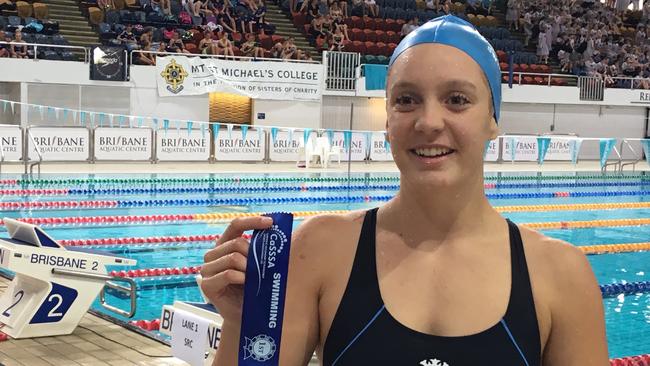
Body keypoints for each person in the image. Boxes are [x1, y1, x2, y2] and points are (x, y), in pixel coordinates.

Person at [201, 15, 609, 366]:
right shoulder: (321, 250)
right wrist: (242, 322)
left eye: (457, 99)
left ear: (493, 119)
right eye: (407, 99)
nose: (429, 121)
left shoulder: (561, 275)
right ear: (388, 121)